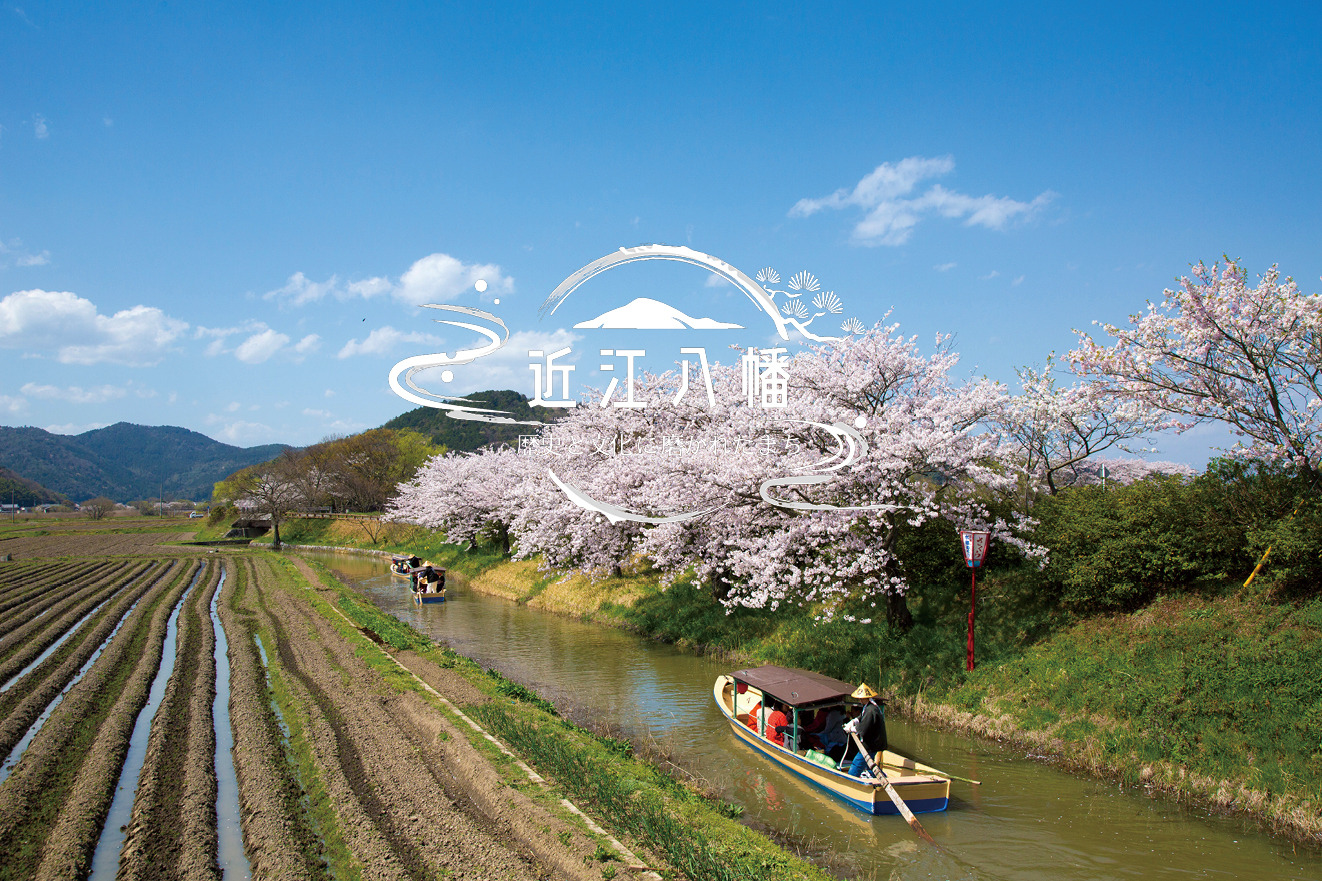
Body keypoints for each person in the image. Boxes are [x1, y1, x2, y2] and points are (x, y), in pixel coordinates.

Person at [847, 695, 888, 778]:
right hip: (874, 743)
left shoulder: (871, 710)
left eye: (861, 698)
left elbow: (863, 728)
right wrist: (854, 721)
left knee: (856, 766)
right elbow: (863, 717)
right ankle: (881, 777)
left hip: (871, 744)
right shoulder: (869, 707)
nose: (860, 700)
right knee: (869, 765)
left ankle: (851, 780)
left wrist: (852, 728)